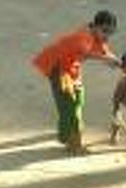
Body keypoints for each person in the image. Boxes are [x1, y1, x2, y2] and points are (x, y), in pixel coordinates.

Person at [32, 10, 120, 154]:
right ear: (96, 27)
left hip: (70, 68)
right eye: (105, 31)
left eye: (111, 32)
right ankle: (74, 145)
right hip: (58, 68)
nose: (108, 36)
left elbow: (104, 52)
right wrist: (106, 59)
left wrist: (115, 61)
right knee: (70, 105)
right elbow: (87, 53)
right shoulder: (83, 37)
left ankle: (65, 133)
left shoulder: (95, 34)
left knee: (78, 99)